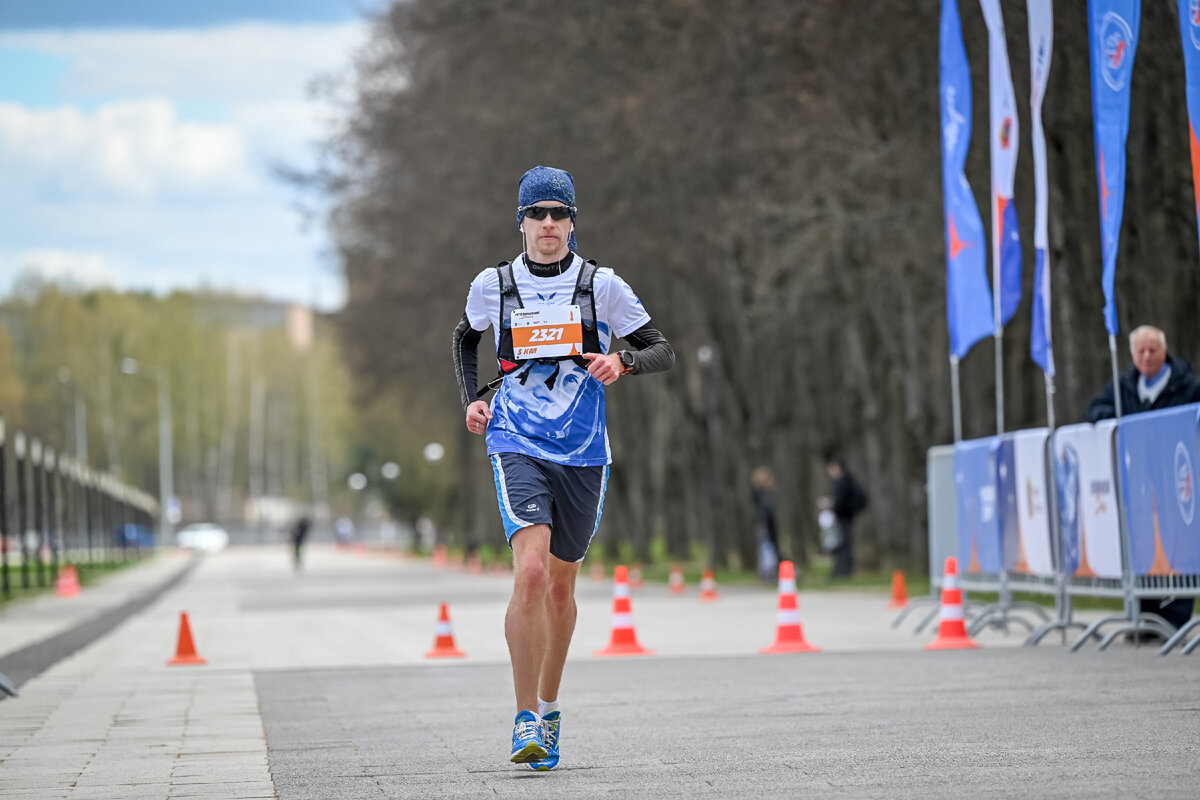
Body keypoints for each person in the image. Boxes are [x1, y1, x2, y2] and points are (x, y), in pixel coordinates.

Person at [452, 165, 674, 770]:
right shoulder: (493, 285)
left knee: (559, 583)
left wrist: (622, 363)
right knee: (529, 571)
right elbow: (466, 338)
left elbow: (661, 349)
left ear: (573, 222)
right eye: (537, 214)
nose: (548, 225)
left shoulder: (602, 285)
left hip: (582, 451)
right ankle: (524, 718)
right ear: (520, 222)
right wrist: (473, 398)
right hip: (516, 440)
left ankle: (549, 709)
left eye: (559, 214)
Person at [1084, 325, 1200, 633]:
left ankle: (1175, 620)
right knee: (1143, 550)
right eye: (1141, 351)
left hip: (1176, 481)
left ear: (1164, 352)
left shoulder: (1187, 385)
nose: (1147, 356)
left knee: (1177, 552)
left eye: (1152, 350)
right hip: (1138, 485)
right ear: (1133, 354)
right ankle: (1145, 619)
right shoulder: (1124, 385)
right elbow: (1095, 408)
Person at [826, 457, 867, 578]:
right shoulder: (849, 480)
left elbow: (840, 502)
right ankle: (845, 571)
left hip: (843, 517)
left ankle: (842, 572)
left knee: (842, 544)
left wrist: (834, 510)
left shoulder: (842, 482)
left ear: (836, 468)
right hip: (848, 516)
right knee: (846, 544)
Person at [751, 467, 781, 582]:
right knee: (766, 550)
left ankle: (767, 574)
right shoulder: (763, 495)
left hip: (764, 525)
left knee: (766, 550)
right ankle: (767, 574)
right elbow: (764, 512)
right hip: (765, 526)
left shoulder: (761, 494)